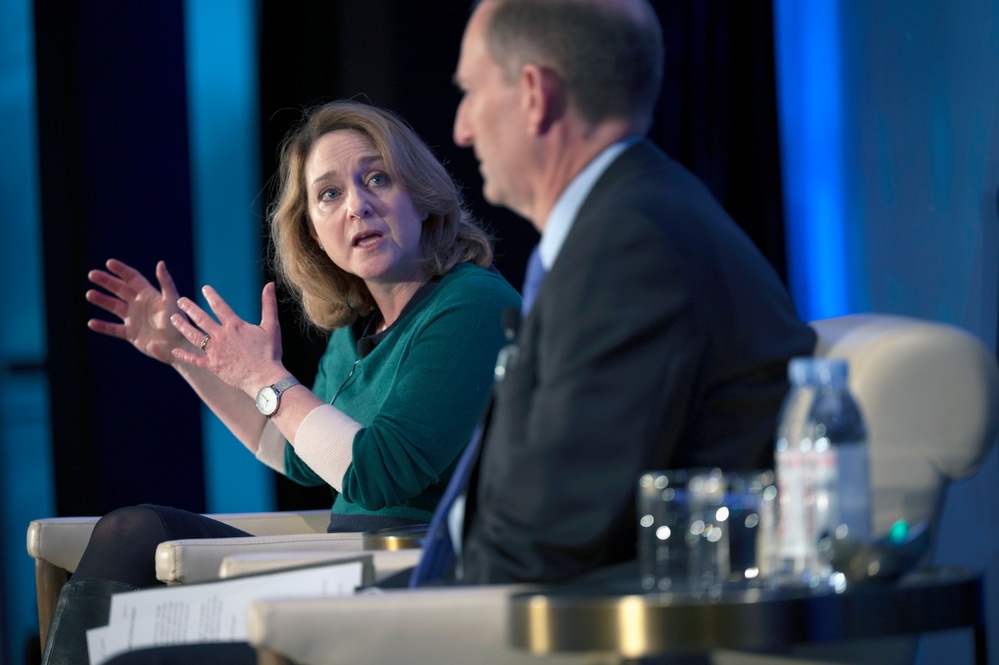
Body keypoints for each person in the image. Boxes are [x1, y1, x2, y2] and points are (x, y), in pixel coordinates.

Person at [102, 0, 819, 661]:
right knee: (133, 614)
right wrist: (199, 361)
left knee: (139, 638)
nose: (462, 128)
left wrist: (409, 603)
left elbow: (557, 519)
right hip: (438, 585)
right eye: (328, 195)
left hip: (473, 605)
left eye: (472, 93)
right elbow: (309, 454)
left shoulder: (625, 245)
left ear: (533, 96)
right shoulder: (622, 226)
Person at [40, 100, 521, 665]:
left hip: (411, 581)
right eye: (329, 194)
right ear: (312, 231)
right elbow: (297, 453)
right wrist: (186, 357)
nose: (357, 206)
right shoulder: (357, 328)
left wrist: (264, 377)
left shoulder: (472, 304)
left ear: (420, 193)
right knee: (132, 533)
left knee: (135, 645)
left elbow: (380, 472)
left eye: (377, 178)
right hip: (342, 568)